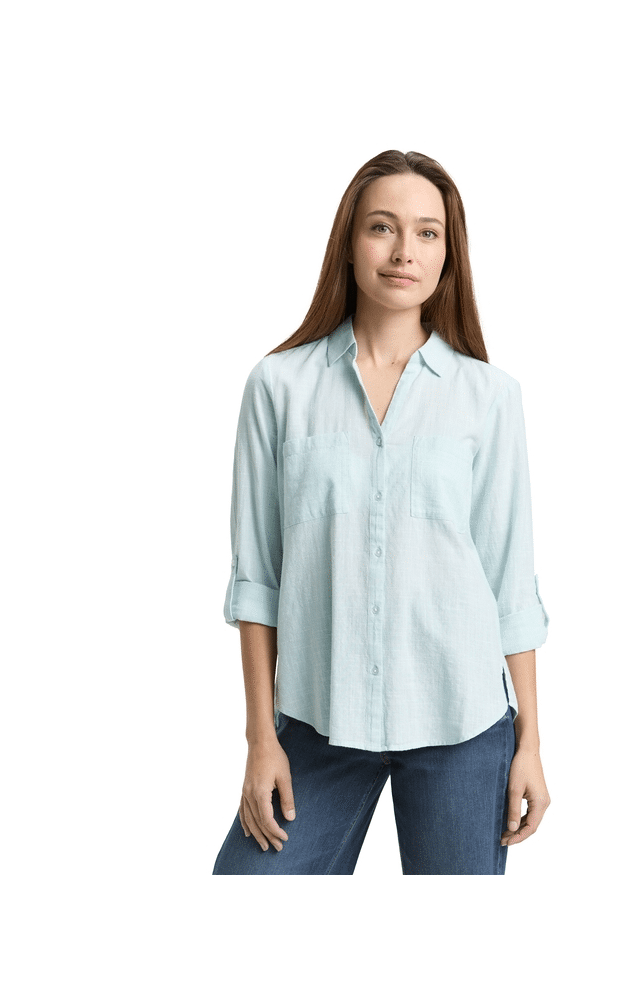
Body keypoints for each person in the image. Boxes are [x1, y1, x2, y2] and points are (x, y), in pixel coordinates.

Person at [211, 149, 551, 875]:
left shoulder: (489, 398)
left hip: (461, 723)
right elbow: (257, 580)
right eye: (382, 228)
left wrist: (530, 742)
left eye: (428, 233)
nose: (404, 252)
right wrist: (260, 739)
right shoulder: (279, 387)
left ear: (449, 256)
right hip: (318, 722)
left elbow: (509, 581)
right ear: (349, 242)